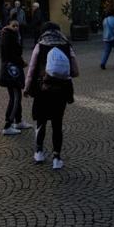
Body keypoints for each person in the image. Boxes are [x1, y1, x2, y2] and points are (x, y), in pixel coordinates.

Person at [24, 22, 78, 169]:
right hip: (61, 90)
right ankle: (56, 158)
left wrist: (27, 88)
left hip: (43, 89)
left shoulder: (40, 45)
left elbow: (32, 69)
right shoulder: (66, 45)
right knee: (57, 123)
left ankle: (39, 152)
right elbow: (75, 70)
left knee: (41, 121)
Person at [0, 20, 31, 135]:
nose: (16, 27)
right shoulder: (9, 36)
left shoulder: (9, 35)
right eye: (14, 25)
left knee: (16, 97)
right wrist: (22, 62)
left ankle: (18, 120)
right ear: (9, 25)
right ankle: (8, 125)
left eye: (17, 26)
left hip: (12, 70)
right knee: (15, 97)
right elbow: (12, 54)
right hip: (11, 72)